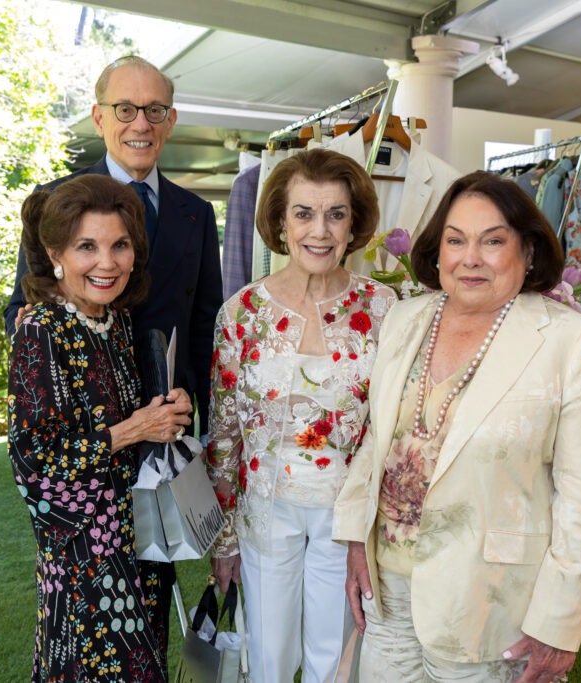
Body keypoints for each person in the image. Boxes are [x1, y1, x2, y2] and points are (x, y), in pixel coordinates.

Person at [334, 171, 581, 683]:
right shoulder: (404, 319)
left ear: (528, 252)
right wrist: (357, 539)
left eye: (493, 241)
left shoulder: (570, 342)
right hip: (388, 591)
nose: (471, 258)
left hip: (491, 601)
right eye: (456, 240)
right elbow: (379, 439)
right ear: (437, 251)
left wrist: (560, 619)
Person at [3, 55, 223, 658]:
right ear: (100, 117)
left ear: (170, 120)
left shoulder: (197, 213)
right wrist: (43, 337)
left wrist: (192, 412)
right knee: (100, 629)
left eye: (154, 110)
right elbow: (21, 308)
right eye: (125, 108)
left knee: (151, 599)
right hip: (84, 445)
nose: (140, 123)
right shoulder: (55, 205)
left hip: (158, 440)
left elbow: (203, 326)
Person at [206, 148, 397, 682]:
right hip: (265, 515)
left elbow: (392, 427)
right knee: (267, 658)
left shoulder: (384, 310)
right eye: (304, 213)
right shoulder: (241, 313)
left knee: (333, 660)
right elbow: (223, 435)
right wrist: (223, 540)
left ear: (353, 222)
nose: (321, 230)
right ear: (280, 222)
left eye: (336, 213)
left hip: (348, 520)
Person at [8, 174, 193, 682]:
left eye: (120, 245)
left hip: (138, 538)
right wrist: (134, 429)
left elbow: (128, 419)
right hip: (85, 557)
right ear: (54, 253)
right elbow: (34, 463)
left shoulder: (114, 320)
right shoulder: (40, 331)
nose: (107, 262)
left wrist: (168, 408)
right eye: (87, 246)